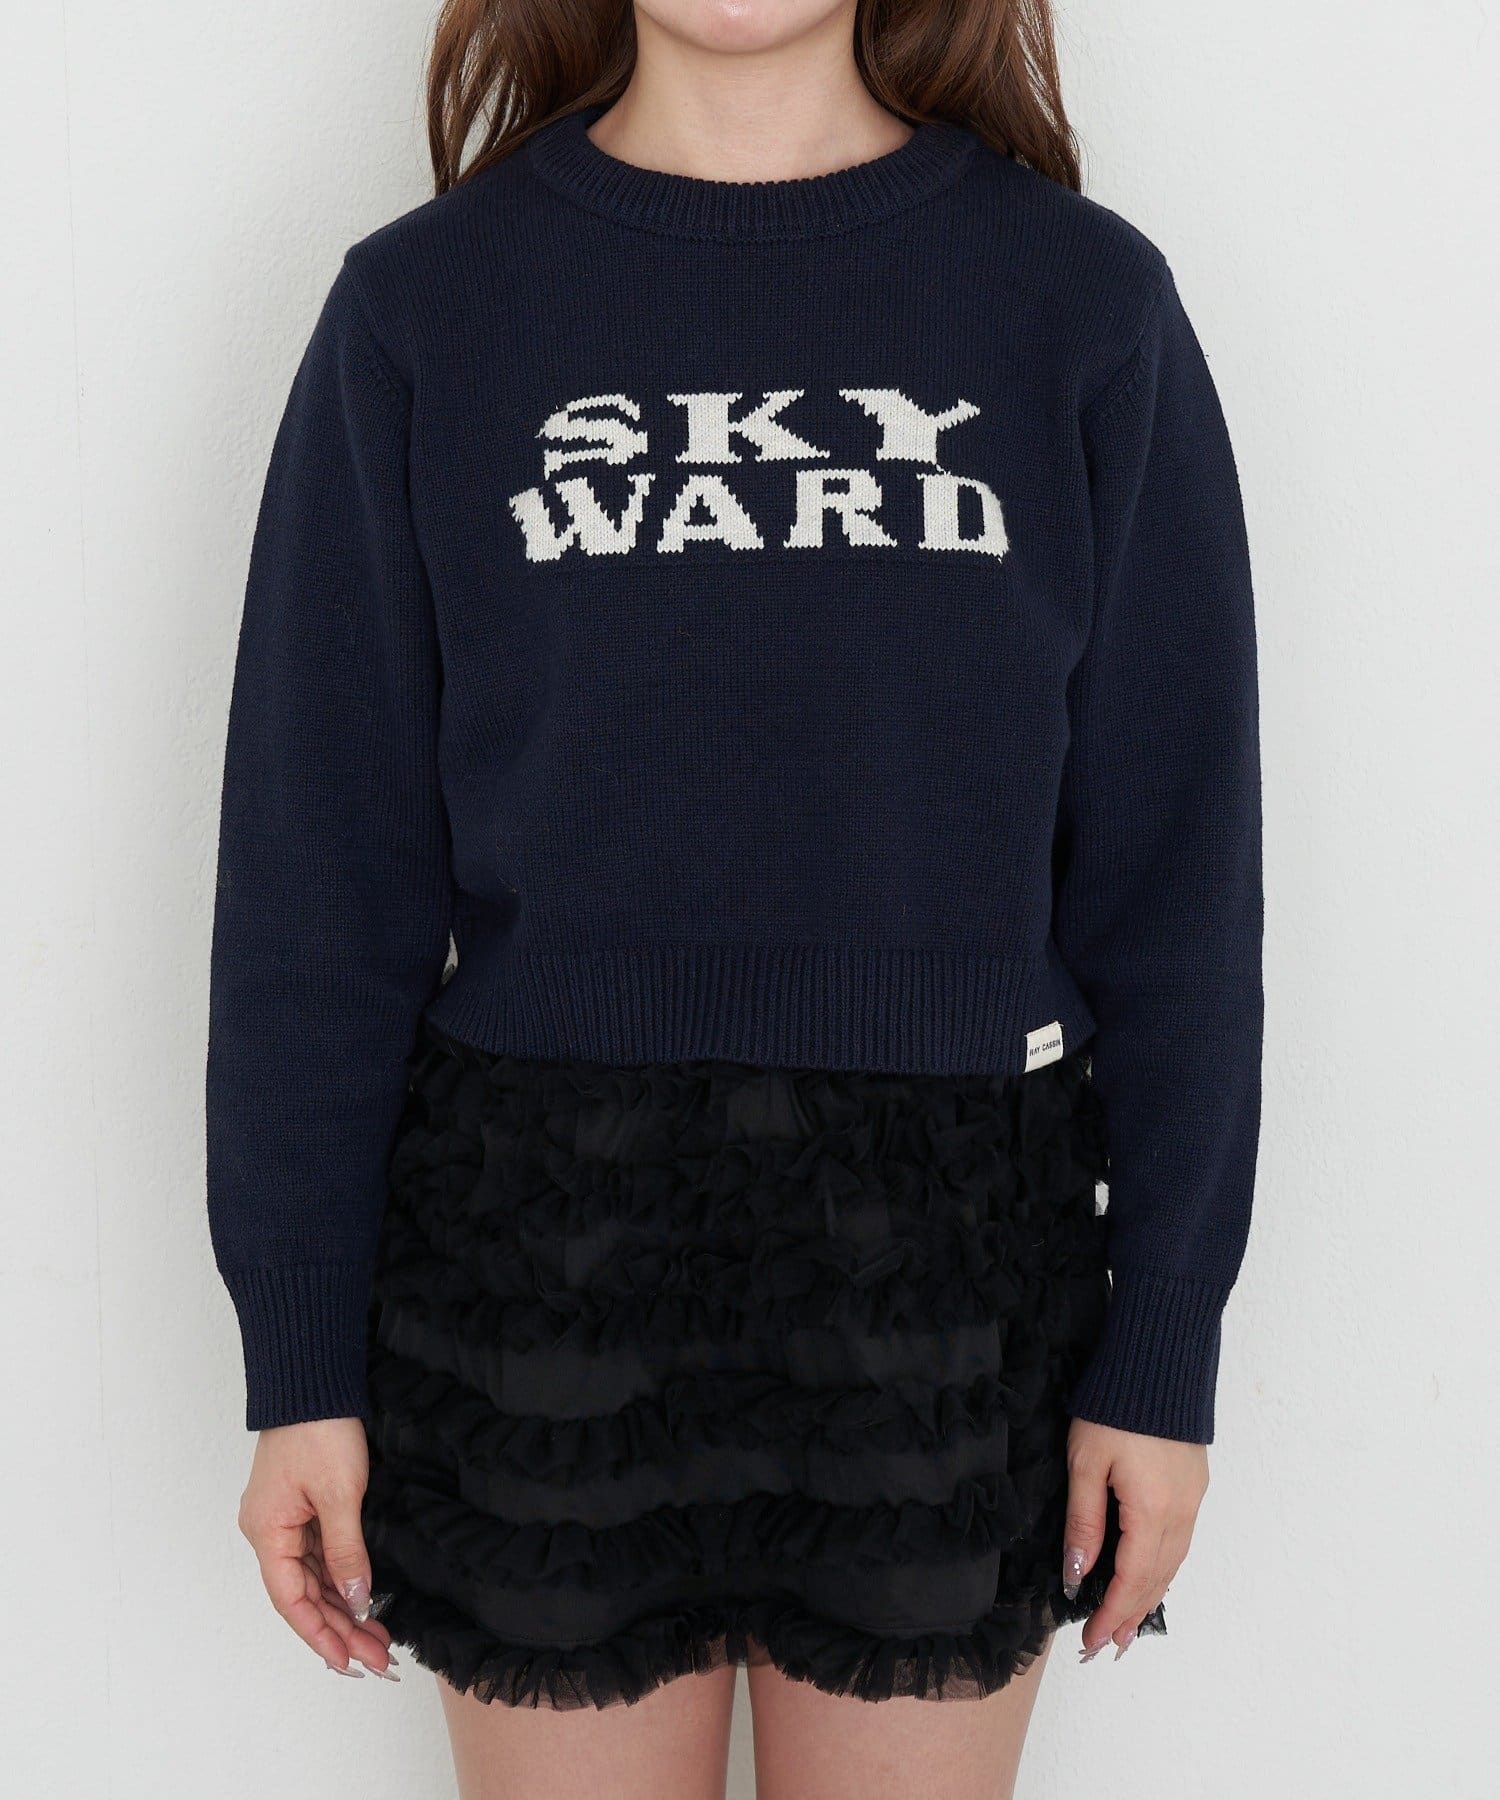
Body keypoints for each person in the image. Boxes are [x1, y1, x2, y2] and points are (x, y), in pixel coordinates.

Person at [205, 2, 1263, 1794]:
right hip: (542, 1251)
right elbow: (320, 882)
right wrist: (296, 1358)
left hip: (947, 1258)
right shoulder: (427, 308)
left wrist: (1162, 1347)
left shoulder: (1078, 303)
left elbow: (1178, 879)